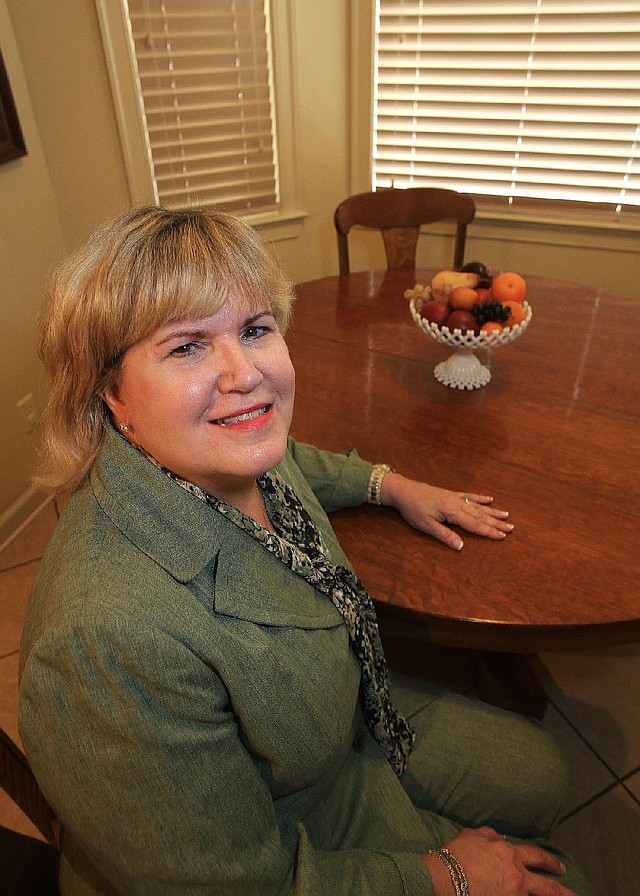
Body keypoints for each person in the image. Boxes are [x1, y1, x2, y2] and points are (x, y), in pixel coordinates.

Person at [19, 205, 591, 896]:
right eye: (187, 346)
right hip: (289, 827)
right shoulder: (106, 641)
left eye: (255, 329)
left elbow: (292, 460)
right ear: (111, 394)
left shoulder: (220, 449)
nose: (245, 374)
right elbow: (239, 887)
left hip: (340, 724)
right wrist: (447, 875)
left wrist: (391, 485)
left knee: (542, 774)